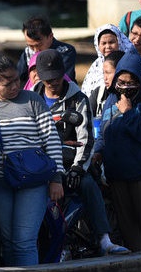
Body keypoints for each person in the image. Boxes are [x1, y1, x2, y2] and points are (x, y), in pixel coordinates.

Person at [31, 50, 129, 255]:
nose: (52, 83)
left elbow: (85, 139)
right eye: (48, 79)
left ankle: (104, 238)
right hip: (39, 165)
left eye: (56, 77)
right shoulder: (32, 99)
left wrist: (77, 168)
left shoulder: (79, 99)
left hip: (70, 164)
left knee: (87, 185)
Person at [0, 56, 66, 266]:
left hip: (33, 181)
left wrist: (56, 178)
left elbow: (51, 139)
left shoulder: (32, 100)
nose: (14, 85)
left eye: (16, 79)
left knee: (24, 242)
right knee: (8, 241)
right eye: (7, 82)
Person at [91, 52, 141, 251]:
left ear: (139, 81)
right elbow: (103, 134)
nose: (124, 87)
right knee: (130, 234)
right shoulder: (110, 101)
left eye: (130, 82)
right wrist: (98, 152)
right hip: (118, 177)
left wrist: (129, 112)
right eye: (121, 81)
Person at [17, 15, 77, 87]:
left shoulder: (65, 51)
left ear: (50, 36)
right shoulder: (27, 52)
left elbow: (64, 80)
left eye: (39, 45)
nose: (35, 51)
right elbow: (19, 77)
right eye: (31, 46)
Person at [80, 24, 137, 98]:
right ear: (97, 45)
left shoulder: (129, 63)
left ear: (119, 42)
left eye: (111, 42)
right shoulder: (95, 66)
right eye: (103, 43)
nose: (108, 47)